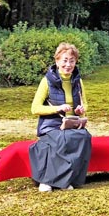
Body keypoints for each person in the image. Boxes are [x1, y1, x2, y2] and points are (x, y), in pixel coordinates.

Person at [28, 42, 92, 192]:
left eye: (72, 61)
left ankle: (67, 180)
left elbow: (86, 104)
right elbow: (34, 108)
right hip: (50, 125)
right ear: (57, 61)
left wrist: (81, 110)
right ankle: (49, 181)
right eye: (64, 60)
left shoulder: (78, 81)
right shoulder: (47, 81)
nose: (68, 64)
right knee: (63, 139)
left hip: (71, 123)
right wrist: (58, 108)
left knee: (84, 137)